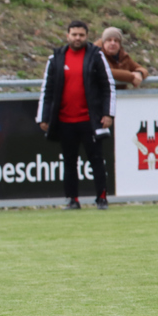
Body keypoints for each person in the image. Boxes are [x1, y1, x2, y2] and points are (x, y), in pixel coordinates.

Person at [37, 20, 116, 210]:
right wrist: (43, 117)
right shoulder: (56, 58)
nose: (77, 38)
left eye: (81, 35)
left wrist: (108, 113)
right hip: (65, 121)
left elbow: (108, 86)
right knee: (69, 162)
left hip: (90, 120)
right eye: (74, 35)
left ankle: (101, 198)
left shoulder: (96, 56)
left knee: (96, 160)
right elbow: (46, 90)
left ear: (87, 36)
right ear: (68, 36)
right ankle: (72, 200)